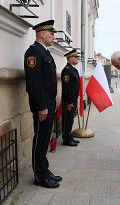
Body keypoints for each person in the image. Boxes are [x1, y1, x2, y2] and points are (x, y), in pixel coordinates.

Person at [24, 20, 62, 188]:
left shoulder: (45, 52)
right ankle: (39, 177)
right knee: (40, 140)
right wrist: (42, 107)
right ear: (42, 34)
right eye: (51, 33)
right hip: (43, 106)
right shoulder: (33, 53)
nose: (54, 36)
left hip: (48, 104)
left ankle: (44, 170)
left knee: (45, 139)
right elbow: (34, 83)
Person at [61, 49, 80, 146]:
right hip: (69, 100)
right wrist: (69, 102)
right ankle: (66, 139)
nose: (78, 58)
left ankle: (69, 136)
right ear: (69, 58)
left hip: (73, 99)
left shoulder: (73, 69)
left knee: (71, 119)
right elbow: (66, 88)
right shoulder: (67, 70)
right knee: (67, 119)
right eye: (76, 57)